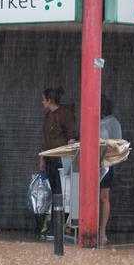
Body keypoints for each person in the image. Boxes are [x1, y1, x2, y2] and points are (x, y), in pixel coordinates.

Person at [38, 86, 77, 236]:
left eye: (43, 100)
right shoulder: (47, 116)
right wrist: (42, 158)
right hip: (50, 160)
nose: (42, 102)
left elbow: (71, 137)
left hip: (62, 161)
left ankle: (61, 228)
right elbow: (45, 139)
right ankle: (54, 227)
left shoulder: (65, 114)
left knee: (62, 195)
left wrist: (69, 158)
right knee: (54, 193)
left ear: (50, 100)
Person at [98, 96, 122, 246]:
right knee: (104, 198)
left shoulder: (102, 124)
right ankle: (102, 232)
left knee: (99, 197)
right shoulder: (115, 122)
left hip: (101, 165)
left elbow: (101, 144)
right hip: (110, 165)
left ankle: (97, 231)